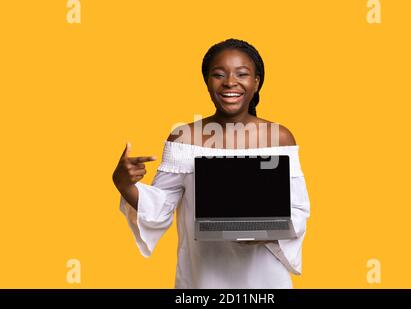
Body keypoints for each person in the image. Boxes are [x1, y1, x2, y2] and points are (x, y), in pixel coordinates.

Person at [112, 38, 310, 288]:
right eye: (218, 74)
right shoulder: (184, 138)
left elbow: (298, 209)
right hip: (203, 278)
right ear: (207, 81)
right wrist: (123, 184)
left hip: (266, 280)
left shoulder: (280, 137)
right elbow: (159, 209)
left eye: (242, 74)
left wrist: (265, 231)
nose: (230, 82)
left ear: (256, 82)